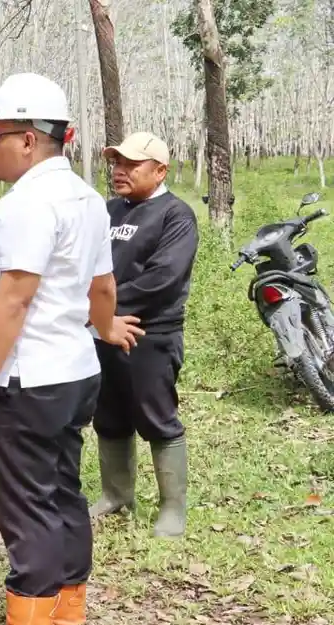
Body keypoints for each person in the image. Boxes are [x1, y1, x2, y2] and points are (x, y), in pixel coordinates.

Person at [0, 73, 144, 625]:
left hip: (27, 378)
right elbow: (103, 285)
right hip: (74, 372)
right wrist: (106, 326)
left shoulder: (28, 205)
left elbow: (13, 297)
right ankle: (67, 619)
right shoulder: (87, 199)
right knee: (62, 494)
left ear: (30, 139)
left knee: (26, 503)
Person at [89, 132, 197, 538]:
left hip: (150, 334)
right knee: (109, 415)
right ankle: (117, 495)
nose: (120, 171)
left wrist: (103, 306)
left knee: (157, 418)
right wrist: (98, 313)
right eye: (116, 162)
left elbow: (163, 279)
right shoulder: (109, 210)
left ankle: (172, 509)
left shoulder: (175, 215)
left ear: (160, 170)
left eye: (132, 165)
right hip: (103, 331)